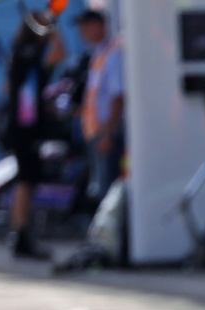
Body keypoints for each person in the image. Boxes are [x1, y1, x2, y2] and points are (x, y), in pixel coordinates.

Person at [3, 11, 66, 260]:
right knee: (26, 180)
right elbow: (60, 51)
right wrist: (52, 31)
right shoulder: (26, 53)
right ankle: (20, 235)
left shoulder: (26, 56)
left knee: (28, 181)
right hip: (24, 128)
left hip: (26, 127)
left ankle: (22, 233)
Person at [77, 8, 123, 205]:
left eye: (86, 26)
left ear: (100, 26)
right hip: (96, 133)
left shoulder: (114, 53)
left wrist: (108, 133)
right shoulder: (99, 54)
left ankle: (112, 234)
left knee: (108, 190)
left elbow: (118, 96)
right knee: (101, 188)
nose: (82, 32)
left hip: (106, 134)